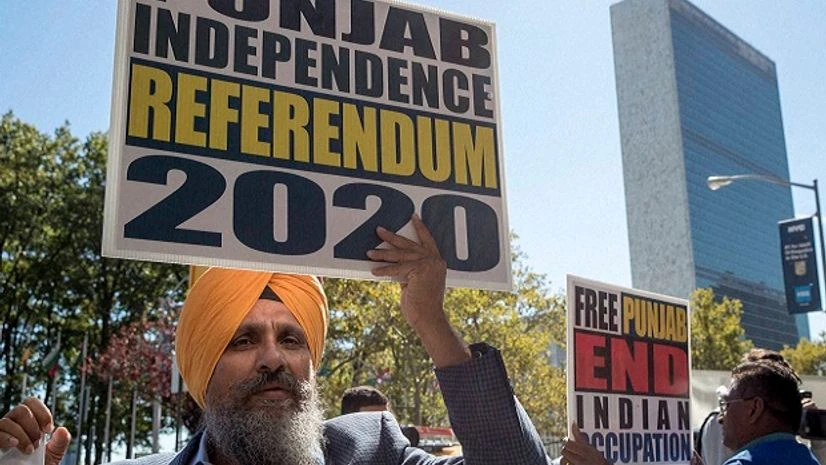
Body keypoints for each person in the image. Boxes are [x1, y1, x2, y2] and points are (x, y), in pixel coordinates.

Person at [0, 215, 548, 465]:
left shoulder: (373, 449)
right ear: (200, 367)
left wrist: (432, 321)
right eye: (241, 340)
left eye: (291, 338)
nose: (272, 358)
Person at [718, 360, 819, 465]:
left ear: (754, 409)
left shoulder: (743, 463)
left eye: (727, 405)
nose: (720, 418)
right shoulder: (810, 461)